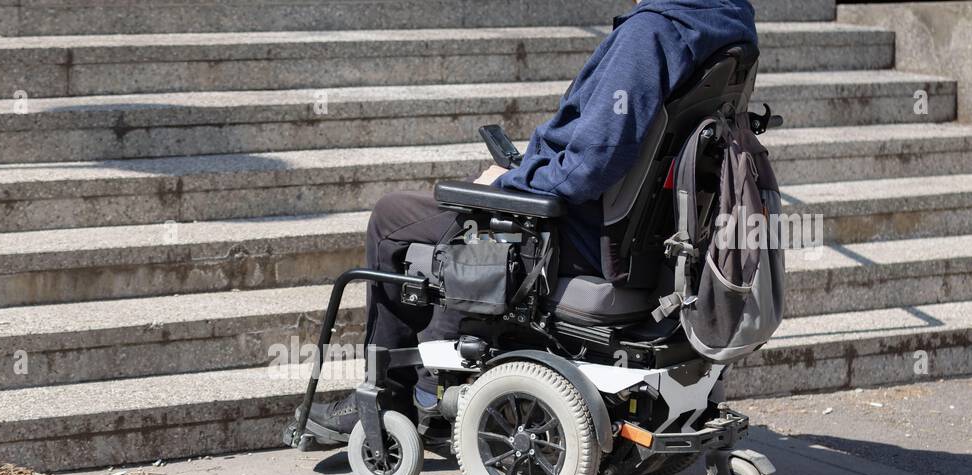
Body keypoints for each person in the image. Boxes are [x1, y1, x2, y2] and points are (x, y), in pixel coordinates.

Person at [308, 0, 758, 438]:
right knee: (459, 222)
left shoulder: (652, 35)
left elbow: (593, 162)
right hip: (647, 241)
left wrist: (508, 186)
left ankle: (386, 399)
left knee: (392, 218)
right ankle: (433, 383)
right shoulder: (731, 23)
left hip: (576, 233)